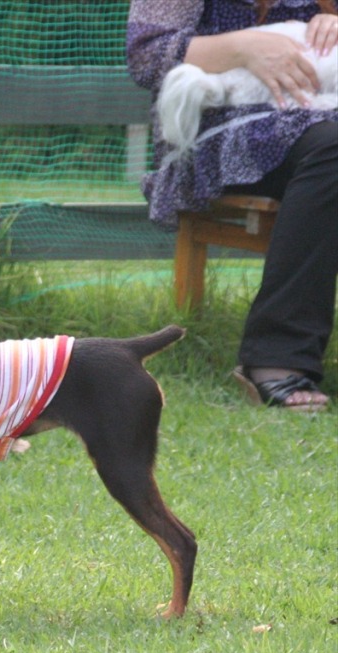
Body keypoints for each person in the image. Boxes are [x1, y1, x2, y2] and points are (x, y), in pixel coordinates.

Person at [127, 0, 338, 411]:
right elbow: (146, 56)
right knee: (333, 152)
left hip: (321, 108)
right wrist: (243, 47)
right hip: (217, 122)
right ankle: (276, 358)